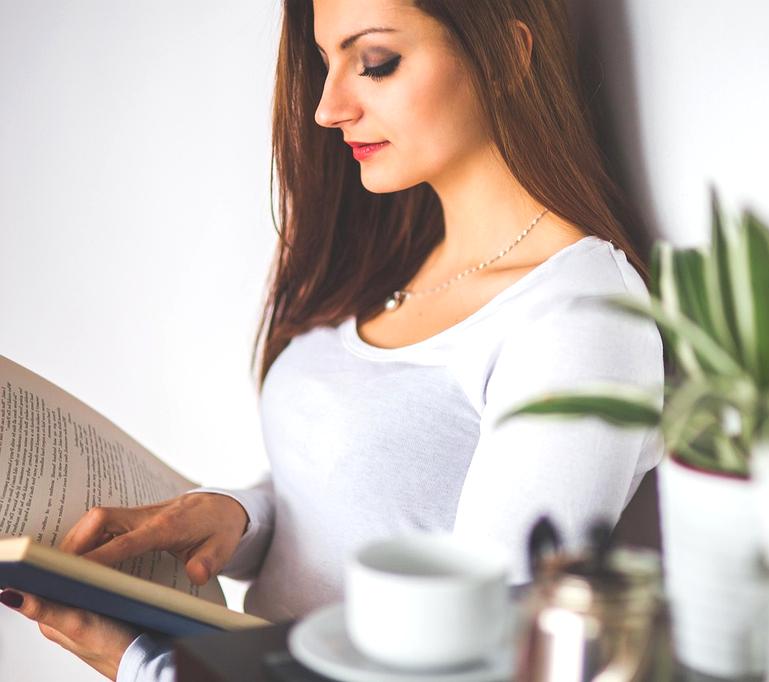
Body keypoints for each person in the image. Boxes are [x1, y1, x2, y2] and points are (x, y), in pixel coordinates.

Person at [0, 0, 664, 679]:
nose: (326, 107)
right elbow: (377, 497)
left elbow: (484, 653)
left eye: (375, 63)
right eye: (325, 64)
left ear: (509, 57)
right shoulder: (402, 260)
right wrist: (240, 517)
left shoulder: (580, 317)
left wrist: (148, 667)